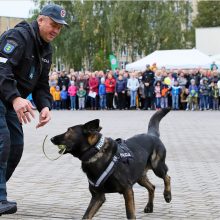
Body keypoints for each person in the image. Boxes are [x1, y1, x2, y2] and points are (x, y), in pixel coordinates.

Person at [0, 3, 68, 215]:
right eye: (53, 25)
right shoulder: (17, 37)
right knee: (3, 141)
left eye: (60, 27)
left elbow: (41, 84)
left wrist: (45, 106)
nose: (56, 31)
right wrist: (15, 98)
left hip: (11, 100)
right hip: (6, 97)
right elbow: (1, 68)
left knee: (16, 146)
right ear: (40, 20)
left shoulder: (46, 49)